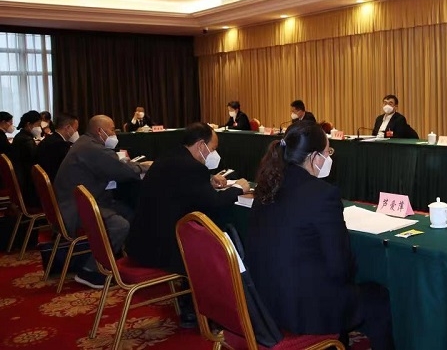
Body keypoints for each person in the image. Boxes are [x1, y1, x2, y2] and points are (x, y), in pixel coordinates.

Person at [246, 123, 394, 350]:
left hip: (263, 303)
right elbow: (340, 267)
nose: (329, 158)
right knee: (378, 297)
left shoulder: (267, 185)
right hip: (303, 312)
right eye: (328, 152)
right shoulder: (322, 194)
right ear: (314, 157)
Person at [126, 123, 249, 327]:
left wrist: (208, 180)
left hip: (142, 239)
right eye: (213, 148)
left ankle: (190, 301)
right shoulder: (191, 168)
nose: (214, 153)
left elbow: (183, 187)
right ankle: (200, 310)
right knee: (213, 245)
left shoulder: (170, 156)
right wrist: (238, 188)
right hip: (161, 248)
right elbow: (214, 202)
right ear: (201, 145)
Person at [54, 115, 152, 289]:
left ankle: (128, 259)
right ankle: (90, 271)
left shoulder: (85, 143)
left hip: (76, 202)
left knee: (129, 212)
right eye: (112, 130)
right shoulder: (92, 148)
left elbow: (113, 167)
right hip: (76, 209)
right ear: (100, 131)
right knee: (120, 225)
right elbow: (122, 171)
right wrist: (146, 166)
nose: (115, 134)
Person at [34, 113, 79, 182]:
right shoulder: (60, 144)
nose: (76, 132)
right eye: (75, 129)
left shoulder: (49, 138)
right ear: (68, 128)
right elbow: (68, 169)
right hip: (55, 182)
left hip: (43, 181)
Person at [10, 110, 41, 208]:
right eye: (37, 125)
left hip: (22, 176)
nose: (39, 128)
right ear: (29, 124)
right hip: (27, 182)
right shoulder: (26, 140)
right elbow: (36, 158)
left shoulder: (20, 136)